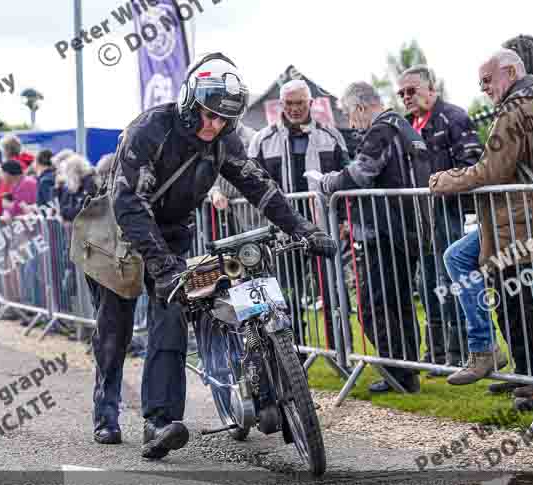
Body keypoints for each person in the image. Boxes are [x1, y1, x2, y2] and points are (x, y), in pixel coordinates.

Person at [89, 52, 336, 458]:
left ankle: (159, 422)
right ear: (190, 102)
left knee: (170, 316)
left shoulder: (224, 139)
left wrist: (304, 228)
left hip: (171, 234)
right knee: (114, 326)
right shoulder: (150, 129)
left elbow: (259, 186)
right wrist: (162, 264)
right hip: (118, 232)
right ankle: (105, 410)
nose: (213, 125)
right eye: (207, 114)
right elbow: (129, 202)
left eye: (223, 119)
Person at [430, 49, 533, 411]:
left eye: (488, 80)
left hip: (527, 219)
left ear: (510, 71)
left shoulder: (517, 109)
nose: (483, 89)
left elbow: (489, 171)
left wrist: (446, 179)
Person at [307, 81, 426, 394]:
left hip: (382, 230)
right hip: (406, 228)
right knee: (399, 304)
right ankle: (407, 371)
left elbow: (359, 174)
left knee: (373, 305)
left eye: (348, 113)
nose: (349, 121)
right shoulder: (404, 126)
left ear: (360, 108)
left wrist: (326, 182)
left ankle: (395, 371)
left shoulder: (380, 130)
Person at [246, 79, 348, 353]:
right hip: (283, 231)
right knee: (286, 296)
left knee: (333, 294)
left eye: (299, 103)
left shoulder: (331, 136)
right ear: (280, 104)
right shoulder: (261, 140)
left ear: (311, 103)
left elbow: (347, 181)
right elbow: (251, 187)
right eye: (288, 103)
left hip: (323, 227)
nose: (293, 108)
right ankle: (295, 357)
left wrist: (344, 222)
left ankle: (340, 354)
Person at [397, 65, 482, 378]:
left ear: (431, 89)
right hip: (418, 215)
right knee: (426, 282)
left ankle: (461, 352)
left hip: (448, 211)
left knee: (450, 282)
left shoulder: (454, 117)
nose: (406, 97)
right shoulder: (405, 126)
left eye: (412, 90)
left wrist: (444, 186)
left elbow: (472, 162)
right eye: (401, 93)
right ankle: (436, 353)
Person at [58, 154, 97, 223]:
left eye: (67, 174)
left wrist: (64, 212)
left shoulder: (89, 184)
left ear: (72, 171)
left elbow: (81, 211)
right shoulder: (79, 184)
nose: (66, 178)